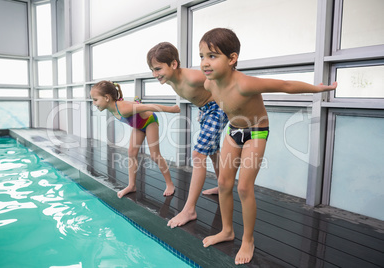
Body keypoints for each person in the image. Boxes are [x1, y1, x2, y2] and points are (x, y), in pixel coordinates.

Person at [198, 28, 337, 265]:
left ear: (232, 59)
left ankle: (248, 239)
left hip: (256, 132)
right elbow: (213, 101)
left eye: (212, 56)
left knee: (244, 187)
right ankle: (227, 231)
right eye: (201, 56)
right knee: (222, 183)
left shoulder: (245, 84)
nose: (205, 62)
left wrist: (319, 89)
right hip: (233, 132)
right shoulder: (210, 84)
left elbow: (285, 85)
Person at [147, 42, 229, 228]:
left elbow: (220, 81)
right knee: (212, 149)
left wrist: (230, 106)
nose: (154, 74)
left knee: (198, 154)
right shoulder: (170, 80)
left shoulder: (192, 77)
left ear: (174, 64)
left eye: (158, 69)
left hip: (218, 108)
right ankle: (222, 184)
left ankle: (190, 209)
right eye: (152, 70)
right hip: (206, 110)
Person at [90, 80, 180, 198]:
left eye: (95, 100)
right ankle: (132, 185)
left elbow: (149, 107)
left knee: (154, 155)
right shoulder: (114, 107)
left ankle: (170, 184)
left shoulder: (123, 108)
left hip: (149, 122)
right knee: (131, 152)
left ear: (107, 97)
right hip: (138, 125)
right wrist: (135, 103)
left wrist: (171, 109)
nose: (93, 103)